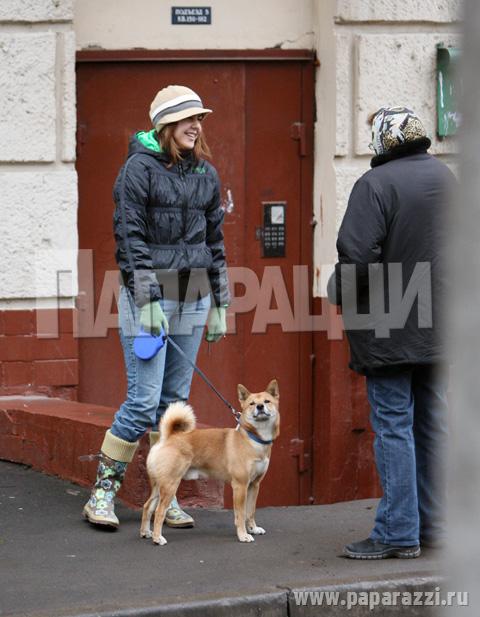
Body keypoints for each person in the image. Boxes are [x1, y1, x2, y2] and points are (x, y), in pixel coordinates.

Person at [83, 85, 230, 529]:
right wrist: (147, 300)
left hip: (194, 296)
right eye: (187, 118)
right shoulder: (136, 171)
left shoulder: (206, 175)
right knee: (145, 401)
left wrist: (220, 303)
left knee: (174, 403)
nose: (196, 125)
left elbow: (214, 243)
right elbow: (130, 242)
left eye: (199, 118)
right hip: (148, 299)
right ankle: (101, 495)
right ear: (164, 124)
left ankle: (167, 497)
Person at [327, 106, 455, 559]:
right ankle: (434, 524)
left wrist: (335, 291)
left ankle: (398, 532)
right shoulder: (445, 178)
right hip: (440, 328)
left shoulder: (375, 185)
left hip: (389, 329)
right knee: (432, 424)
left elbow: (356, 258)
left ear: (383, 141)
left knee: (394, 427)